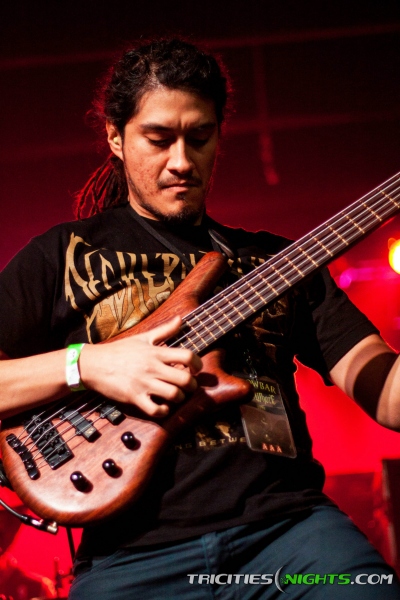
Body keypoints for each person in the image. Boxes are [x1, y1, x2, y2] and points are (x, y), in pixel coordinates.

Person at [0, 38, 400, 599]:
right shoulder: (61, 254)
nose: (182, 161)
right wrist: (88, 364)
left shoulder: (276, 262)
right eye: (158, 139)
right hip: (131, 557)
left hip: (289, 535)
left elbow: (388, 399)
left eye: (200, 137)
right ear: (115, 137)